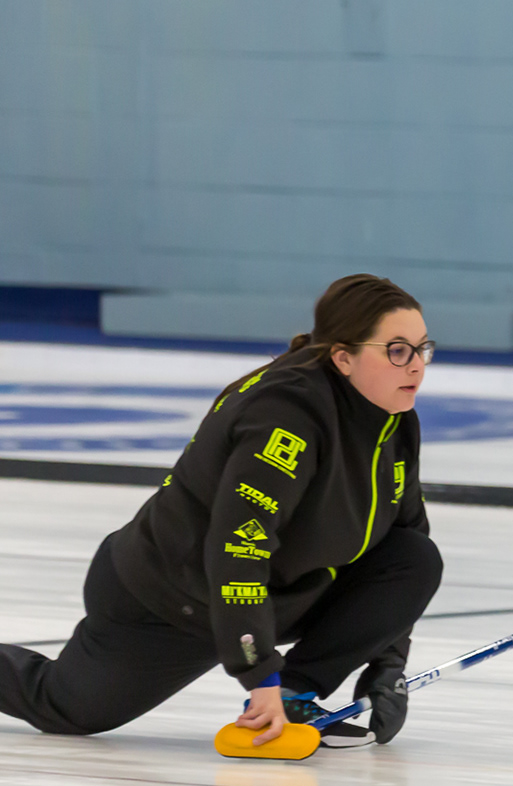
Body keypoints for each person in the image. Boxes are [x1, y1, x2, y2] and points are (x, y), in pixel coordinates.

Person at [0, 274, 443, 749]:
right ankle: (277, 691)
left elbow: (405, 540)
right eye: (398, 351)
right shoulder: (286, 418)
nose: (417, 365)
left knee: (414, 557)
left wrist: (388, 664)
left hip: (273, 595)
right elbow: (237, 549)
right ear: (343, 357)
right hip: (168, 601)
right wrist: (259, 677)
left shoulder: (393, 422)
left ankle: (297, 694)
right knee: (67, 709)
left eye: (422, 349)